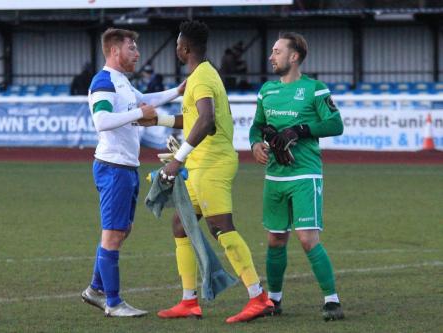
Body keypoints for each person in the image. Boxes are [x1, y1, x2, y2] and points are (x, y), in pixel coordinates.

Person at [144, 20, 274, 324]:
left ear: (185, 48)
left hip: (211, 164)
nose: (176, 47)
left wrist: (177, 160)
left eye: (177, 43)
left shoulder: (200, 78)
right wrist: (158, 121)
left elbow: (206, 121)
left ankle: (259, 297)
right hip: (202, 163)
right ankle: (189, 301)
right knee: (181, 225)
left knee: (221, 227)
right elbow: (193, 119)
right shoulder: (202, 74)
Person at [80, 27, 185, 318]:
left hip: (125, 167)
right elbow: (101, 120)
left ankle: (95, 289)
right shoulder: (103, 81)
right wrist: (141, 113)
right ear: (115, 51)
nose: (137, 53)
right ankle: (113, 303)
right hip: (113, 168)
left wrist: (177, 91)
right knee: (113, 234)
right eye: (132, 48)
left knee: (121, 230)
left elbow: (145, 98)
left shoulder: (121, 81)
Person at [249, 32, 345, 321]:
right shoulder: (267, 91)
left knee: (307, 239)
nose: (271, 56)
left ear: (294, 56)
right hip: (274, 177)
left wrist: (300, 130)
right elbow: (257, 126)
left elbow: (335, 123)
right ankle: (274, 300)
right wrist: (256, 144)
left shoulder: (314, 89)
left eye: (277, 51)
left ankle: (332, 300)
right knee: (275, 239)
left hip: (305, 175)